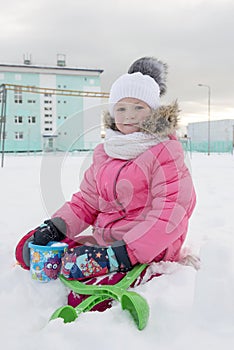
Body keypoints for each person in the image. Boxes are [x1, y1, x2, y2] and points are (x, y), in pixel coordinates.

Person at [15, 57, 196, 300]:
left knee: (83, 287)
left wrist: (124, 253)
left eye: (138, 107)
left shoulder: (165, 153)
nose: (128, 115)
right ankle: (91, 262)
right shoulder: (106, 153)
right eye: (121, 108)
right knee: (49, 255)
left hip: (150, 248)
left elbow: (170, 213)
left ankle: (119, 287)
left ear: (153, 112)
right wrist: (56, 227)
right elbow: (87, 202)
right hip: (109, 243)